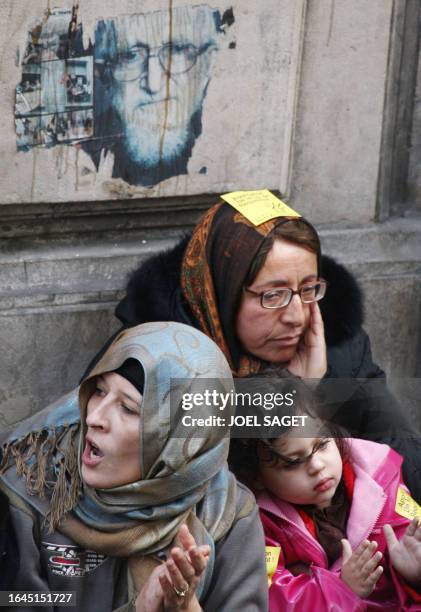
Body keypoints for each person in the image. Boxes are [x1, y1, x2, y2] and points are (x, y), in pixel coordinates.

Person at [88, 193, 421, 502]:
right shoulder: (149, 358)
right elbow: (180, 484)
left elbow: (403, 459)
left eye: (307, 289)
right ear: (223, 293)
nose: (296, 317)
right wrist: (298, 396)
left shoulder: (336, 346)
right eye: (272, 295)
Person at [0, 322, 267, 611]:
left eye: (127, 408)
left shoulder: (228, 514)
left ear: (179, 441)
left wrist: (185, 606)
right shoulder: (33, 488)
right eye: (99, 391)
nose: (94, 417)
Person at [229, 375, 421, 610]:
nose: (317, 466)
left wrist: (413, 574)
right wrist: (340, 589)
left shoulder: (381, 479)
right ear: (256, 477)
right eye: (293, 462)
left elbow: (409, 535)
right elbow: (273, 597)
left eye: (321, 445)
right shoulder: (256, 524)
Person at [87, 5, 222, 186]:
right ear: (104, 75)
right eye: (130, 55)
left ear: (208, 63)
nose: (154, 84)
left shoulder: (233, 147)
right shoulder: (82, 162)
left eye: (176, 50)